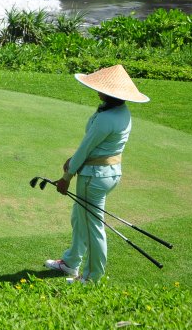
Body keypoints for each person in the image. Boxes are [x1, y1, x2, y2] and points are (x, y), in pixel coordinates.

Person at [45, 64, 149, 283]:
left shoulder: (105, 118)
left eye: (101, 88)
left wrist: (66, 177)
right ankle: (71, 262)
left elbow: (85, 148)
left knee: (93, 226)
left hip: (94, 176)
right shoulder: (120, 111)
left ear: (110, 93)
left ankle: (92, 278)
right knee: (80, 218)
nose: (97, 91)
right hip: (108, 173)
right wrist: (73, 161)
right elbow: (90, 148)